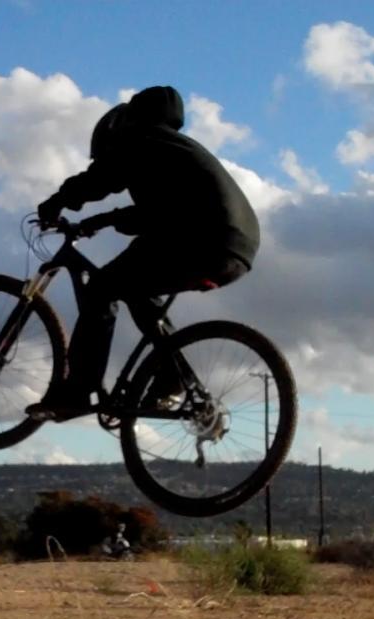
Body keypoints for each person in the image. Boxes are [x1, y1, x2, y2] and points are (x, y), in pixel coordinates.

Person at [26, 85, 260, 421]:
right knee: (137, 290)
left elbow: (101, 178)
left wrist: (58, 201)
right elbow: (157, 213)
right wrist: (101, 221)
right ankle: (171, 378)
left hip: (202, 237)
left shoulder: (141, 139)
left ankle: (77, 393)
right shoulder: (174, 151)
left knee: (102, 287)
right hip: (235, 247)